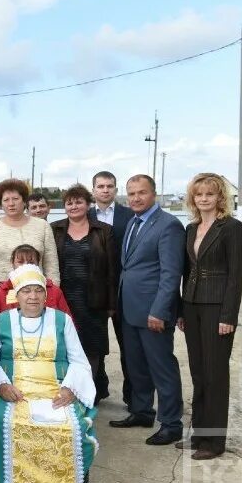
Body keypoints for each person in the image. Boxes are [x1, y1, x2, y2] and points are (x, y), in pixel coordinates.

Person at [0, 264, 97, 483]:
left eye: (38, 291)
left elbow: (79, 360)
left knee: (69, 427)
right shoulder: (2, 320)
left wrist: (69, 388)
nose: (32, 297)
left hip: (53, 387)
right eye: (26, 291)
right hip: (14, 388)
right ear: (16, 296)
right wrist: (0, 385)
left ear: (46, 295)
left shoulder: (62, 320)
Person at [108, 175, 185, 446]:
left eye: (142, 193)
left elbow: (170, 273)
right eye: (131, 194)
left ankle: (171, 423)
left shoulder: (169, 226)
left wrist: (160, 311)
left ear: (154, 194)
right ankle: (141, 412)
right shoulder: (132, 222)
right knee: (136, 366)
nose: (136, 198)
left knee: (161, 367)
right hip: (129, 310)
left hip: (153, 312)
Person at [177, 173, 242, 460]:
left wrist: (228, 315)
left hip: (218, 309)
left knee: (215, 374)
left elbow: (235, 276)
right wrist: (182, 310)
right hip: (192, 306)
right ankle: (199, 434)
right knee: (198, 372)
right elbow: (186, 271)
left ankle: (214, 442)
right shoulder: (191, 229)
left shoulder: (232, 228)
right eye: (199, 194)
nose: (203, 198)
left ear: (221, 197)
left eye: (209, 194)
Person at [51, 184, 117, 404]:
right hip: (64, 299)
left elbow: (112, 270)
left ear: (88, 204)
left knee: (92, 348)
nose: (74, 206)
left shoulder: (104, 231)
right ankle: (67, 391)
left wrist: (111, 303)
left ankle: (88, 394)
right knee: (66, 346)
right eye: (69, 202)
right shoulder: (55, 229)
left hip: (94, 301)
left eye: (78, 201)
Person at [88, 170, 135, 405]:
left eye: (110, 186)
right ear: (93, 190)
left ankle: (133, 396)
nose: (105, 190)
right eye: (101, 186)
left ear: (116, 190)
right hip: (93, 292)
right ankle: (97, 391)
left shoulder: (129, 216)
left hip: (123, 290)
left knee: (128, 345)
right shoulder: (83, 216)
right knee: (95, 344)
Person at [0, 178, 59, 288]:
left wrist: (53, 290)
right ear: (1, 203)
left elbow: (51, 264)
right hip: (1, 294)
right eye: (6, 200)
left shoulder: (42, 226)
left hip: (37, 292)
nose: (11, 204)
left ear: (24, 201)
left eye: (15, 199)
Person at [0, 244, 71, 319]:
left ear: (38, 264)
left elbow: (67, 322)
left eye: (31, 262)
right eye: (20, 262)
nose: (26, 265)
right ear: (12, 263)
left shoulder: (54, 291)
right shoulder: (0, 293)